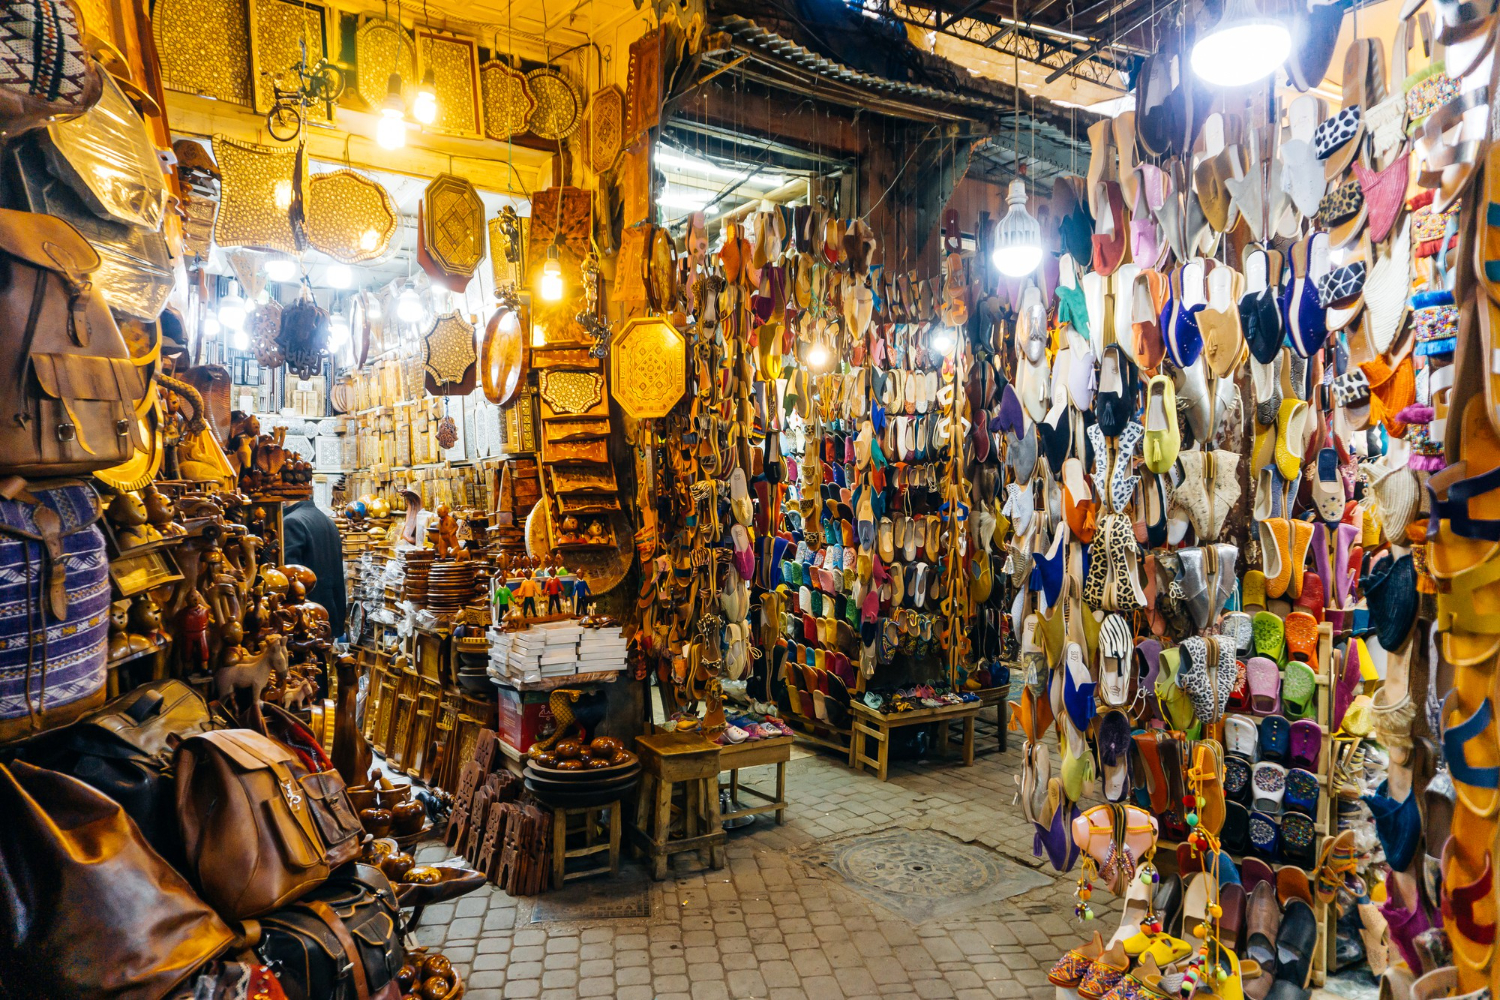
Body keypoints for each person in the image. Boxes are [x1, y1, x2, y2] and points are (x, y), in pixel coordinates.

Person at [282, 500, 347, 639]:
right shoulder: (327, 521)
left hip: (309, 618)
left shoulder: (291, 522)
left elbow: (292, 578)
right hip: (329, 612)